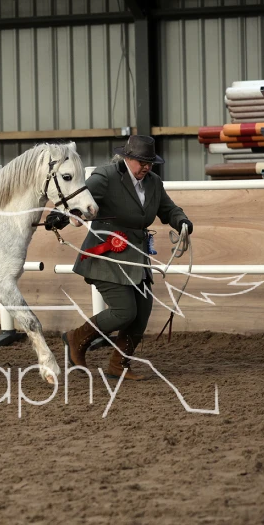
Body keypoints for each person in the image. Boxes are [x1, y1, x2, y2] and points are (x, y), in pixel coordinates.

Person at [59, 135, 192, 380]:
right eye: (142, 162)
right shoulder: (105, 176)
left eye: (150, 163)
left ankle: (119, 364)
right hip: (106, 255)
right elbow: (79, 198)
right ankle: (76, 338)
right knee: (124, 311)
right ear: (127, 158)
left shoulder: (154, 182)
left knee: (142, 312)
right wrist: (64, 216)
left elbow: (168, 208)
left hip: (137, 259)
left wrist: (181, 220)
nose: (147, 167)